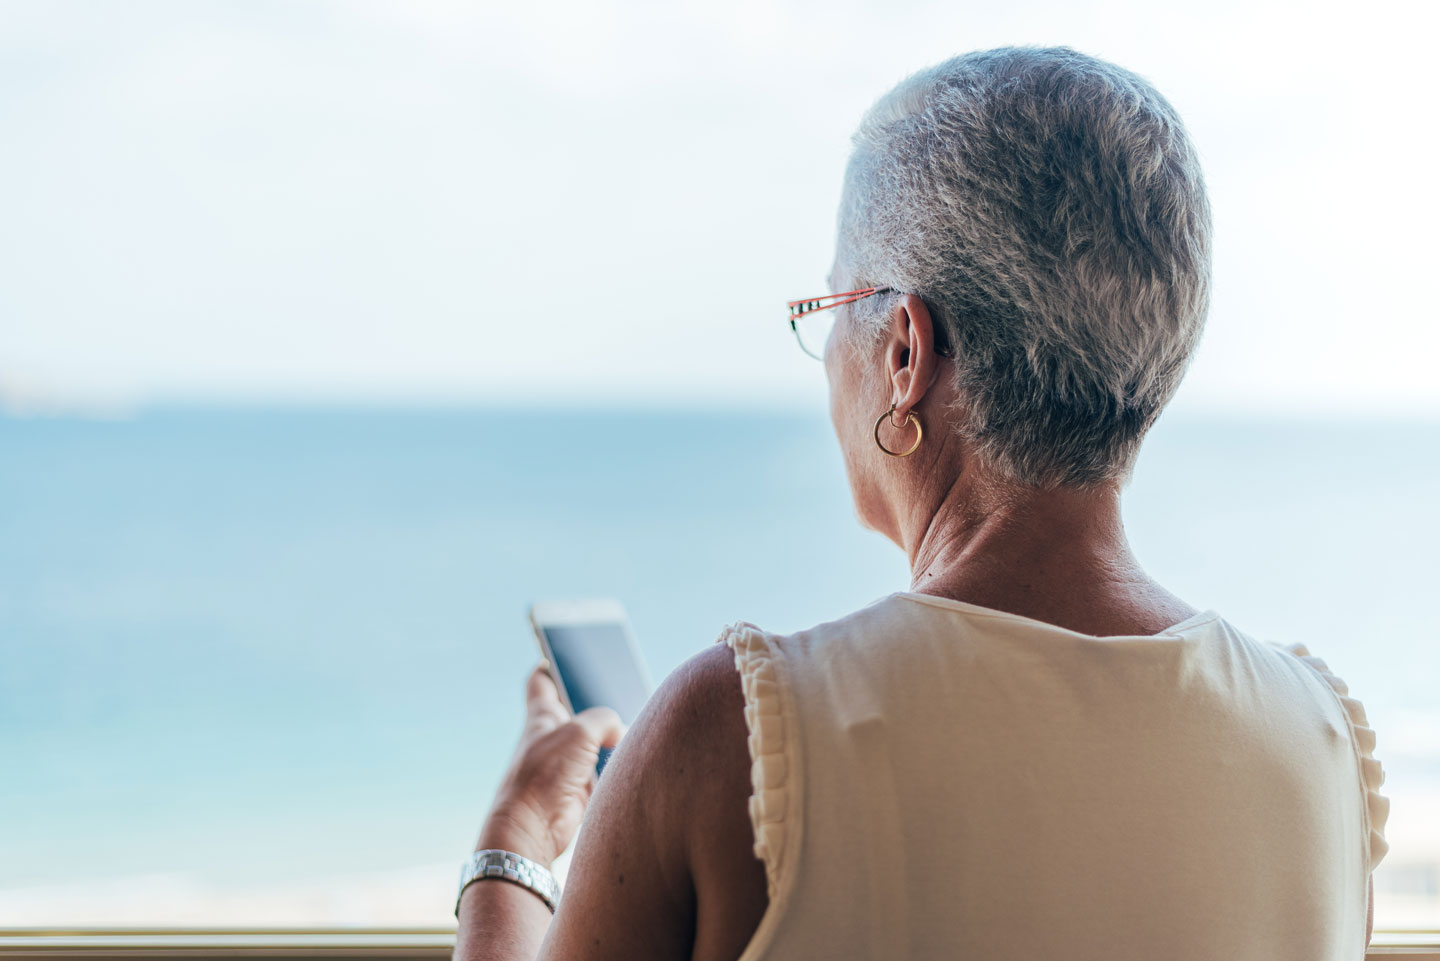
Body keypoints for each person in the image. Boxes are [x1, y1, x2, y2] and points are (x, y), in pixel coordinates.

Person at [453, 46, 1389, 961]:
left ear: (905, 351)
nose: (828, 358)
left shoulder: (734, 737)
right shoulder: (1320, 744)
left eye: (831, 310)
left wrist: (514, 841)